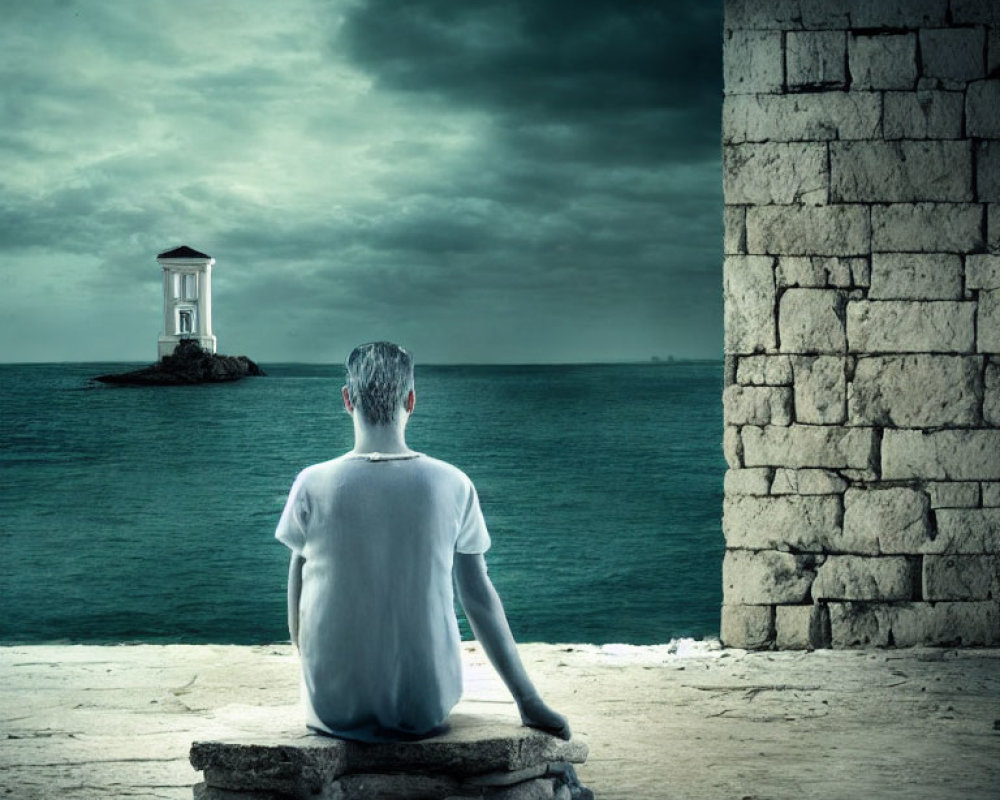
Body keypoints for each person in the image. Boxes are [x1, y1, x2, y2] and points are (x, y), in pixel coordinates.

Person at [275, 341, 570, 743]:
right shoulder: (452, 483)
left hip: (331, 708)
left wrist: (311, 660)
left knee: (302, 560)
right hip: (424, 706)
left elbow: (297, 601)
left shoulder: (311, 483)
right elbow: (479, 598)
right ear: (411, 400)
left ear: (347, 399)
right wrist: (528, 700)